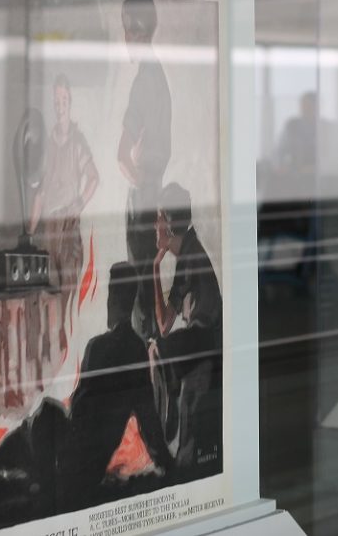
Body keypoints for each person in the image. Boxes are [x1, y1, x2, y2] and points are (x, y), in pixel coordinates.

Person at [0, 262, 172, 528]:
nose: (109, 303)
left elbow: (81, 409)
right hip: (79, 457)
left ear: (117, 299)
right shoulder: (133, 351)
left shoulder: (100, 347)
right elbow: (148, 421)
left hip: (71, 457)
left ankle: (0, 474)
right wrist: (168, 463)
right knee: (35, 425)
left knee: (36, 424)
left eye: (111, 295)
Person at [148, 183, 223, 477]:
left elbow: (165, 329)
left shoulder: (192, 254)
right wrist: (155, 268)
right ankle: (169, 403)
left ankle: (166, 411)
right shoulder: (188, 252)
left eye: (158, 218)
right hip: (200, 340)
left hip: (206, 340)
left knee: (157, 349)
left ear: (168, 222)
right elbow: (166, 322)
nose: (155, 225)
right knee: (159, 348)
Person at [116, 0, 172, 344]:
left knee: (141, 308)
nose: (125, 38)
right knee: (148, 303)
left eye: (127, 29)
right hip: (154, 199)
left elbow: (122, 156)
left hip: (143, 203)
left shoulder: (144, 82)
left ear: (138, 31)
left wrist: (140, 184)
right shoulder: (159, 77)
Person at [28, 75, 99, 350]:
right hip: (49, 226)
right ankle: (48, 342)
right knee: (46, 287)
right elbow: (40, 194)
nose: (60, 106)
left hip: (68, 226)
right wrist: (30, 232)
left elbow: (94, 177)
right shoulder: (47, 146)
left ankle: (67, 340)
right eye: (56, 101)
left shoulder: (77, 142)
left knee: (68, 284)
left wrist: (78, 203)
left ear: (70, 102)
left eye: (64, 100)